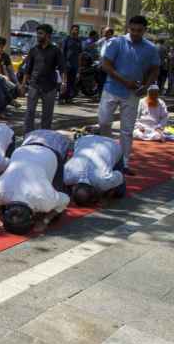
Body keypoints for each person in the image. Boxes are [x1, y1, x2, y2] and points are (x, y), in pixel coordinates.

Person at [99, 15, 160, 175]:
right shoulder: (116, 42)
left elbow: (155, 69)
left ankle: (124, 163)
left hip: (133, 94)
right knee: (104, 122)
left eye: (139, 31)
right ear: (128, 28)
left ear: (145, 30)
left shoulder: (151, 48)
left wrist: (146, 86)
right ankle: (108, 155)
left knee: (126, 130)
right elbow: (105, 65)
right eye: (132, 30)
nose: (135, 33)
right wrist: (124, 81)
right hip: (111, 89)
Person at [0, 130, 71, 234]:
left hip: (49, 153)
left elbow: (66, 199)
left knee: (56, 215)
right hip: (23, 150)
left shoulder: (45, 201)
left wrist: (45, 221)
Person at [20, 24, 66, 134]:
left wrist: (64, 82)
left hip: (50, 87)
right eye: (38, 33)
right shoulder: (33, 50)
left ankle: (44, 137)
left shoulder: (56, 51)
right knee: (29, 112)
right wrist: (23, 85)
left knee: (47, 114)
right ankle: (27, 136)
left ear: (48, 35)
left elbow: (62, 68)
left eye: (41, 34)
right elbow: (28, 69)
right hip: (34, 85)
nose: (38, 36)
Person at [64, 135, 126, 206]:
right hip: (86, 139)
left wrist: (107, 190)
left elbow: (120, 175)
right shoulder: (67, 176)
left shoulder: (103, 182)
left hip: (112, 145)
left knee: (120, 192)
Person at [60, 24, 82, 104]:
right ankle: (61, 98)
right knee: (64, 82)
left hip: (75, 65)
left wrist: (79, 67)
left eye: (77, 30)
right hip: (67, 64)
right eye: (74, 29)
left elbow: (80, 54)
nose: (76, 31)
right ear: (71, 30)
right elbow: (62, 52)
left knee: (71, 83)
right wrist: (63, 64)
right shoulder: (66, 39)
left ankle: (68, 98)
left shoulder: (79, 41)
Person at [95, 27, 115, 99]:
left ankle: (106, 96)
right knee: (100, 80)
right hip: (101, 63)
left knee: (107, 81)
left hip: (109, 64)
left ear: (110, 33)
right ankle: (100, 95)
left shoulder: (114, 41)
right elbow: (95, 44)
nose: (104, 33)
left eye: (106, 32)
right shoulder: (104, 40)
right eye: (104, 32)